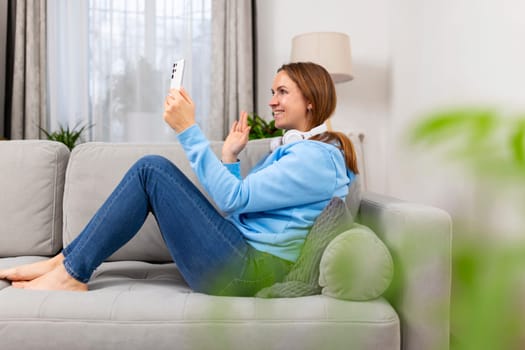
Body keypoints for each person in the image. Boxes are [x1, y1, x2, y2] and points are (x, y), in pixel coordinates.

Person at [0, 62, 358, 296]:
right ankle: (66, 263)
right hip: (244, 258)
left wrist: (188, 129)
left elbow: (235, 200)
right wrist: (230, 157)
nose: (272, 102)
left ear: (310, 100)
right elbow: (238, 203)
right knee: (150, 170)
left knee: (151, 170)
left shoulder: (316, 158)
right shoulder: (301, 151)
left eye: (282, 92)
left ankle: (70, 272)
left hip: (250, 271)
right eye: (272, 92)